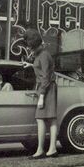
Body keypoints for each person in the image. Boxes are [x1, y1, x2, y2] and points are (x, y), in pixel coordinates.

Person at [21, 28, 58, 159]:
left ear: (34, 44)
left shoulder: (44, 55)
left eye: (30, 47)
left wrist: (41, 96)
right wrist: (30, 65)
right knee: (47, 119)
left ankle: (45, 149)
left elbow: (46, 77)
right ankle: (47, 149)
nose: (29, 50)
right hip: (45, 87)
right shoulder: (41, 54)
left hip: (47, 88)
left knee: (45, 118)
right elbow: (42, 70)